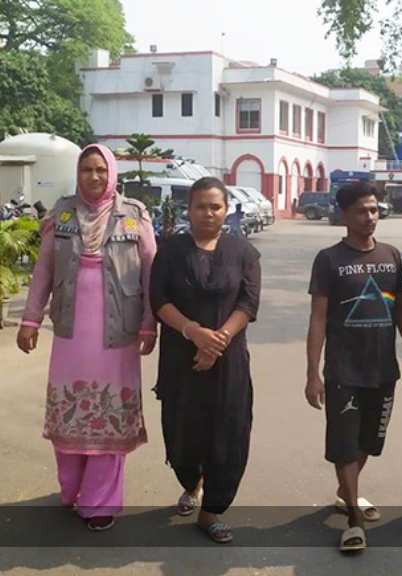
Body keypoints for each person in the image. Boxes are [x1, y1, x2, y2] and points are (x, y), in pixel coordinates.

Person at [17, 144, 157, 531]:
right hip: (70, 333)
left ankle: (101, 500)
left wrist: (149, 323)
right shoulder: (61, 214)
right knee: (71, 409)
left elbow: (151, 274)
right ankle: (71, 488)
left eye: (100, 170)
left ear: (112, 173)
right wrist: (29, 320)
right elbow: (43, 269)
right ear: (77, 174)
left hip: (119, 335)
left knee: (110, 413)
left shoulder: (134, 216)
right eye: (86, 170)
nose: (93, 177)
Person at [305, 181, 402, 553]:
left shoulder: (389, 255)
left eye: (374, 209)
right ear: (344, 215)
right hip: (343, 372)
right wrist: (313, 372)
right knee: (345, 443)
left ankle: (347, 491)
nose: (370, 217)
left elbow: (400, 309)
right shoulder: (329, 259)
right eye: (361, 210)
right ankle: (353, 520)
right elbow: (318, 319)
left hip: (382, 371)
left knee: (370, 442)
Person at [149, 176, 261, 544]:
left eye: (216, 206)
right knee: (183, 433)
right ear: (189, 208)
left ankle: (212, 510)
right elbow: (159, 299)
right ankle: (190, 481)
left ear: (226, 209)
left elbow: (248, 303)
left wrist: (218, 341)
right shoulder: (170, 250)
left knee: (230, 433)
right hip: (181, 359)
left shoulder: (243, 252)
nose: (209, 213)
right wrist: (194, 332)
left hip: (229, 362)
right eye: (201, 206)